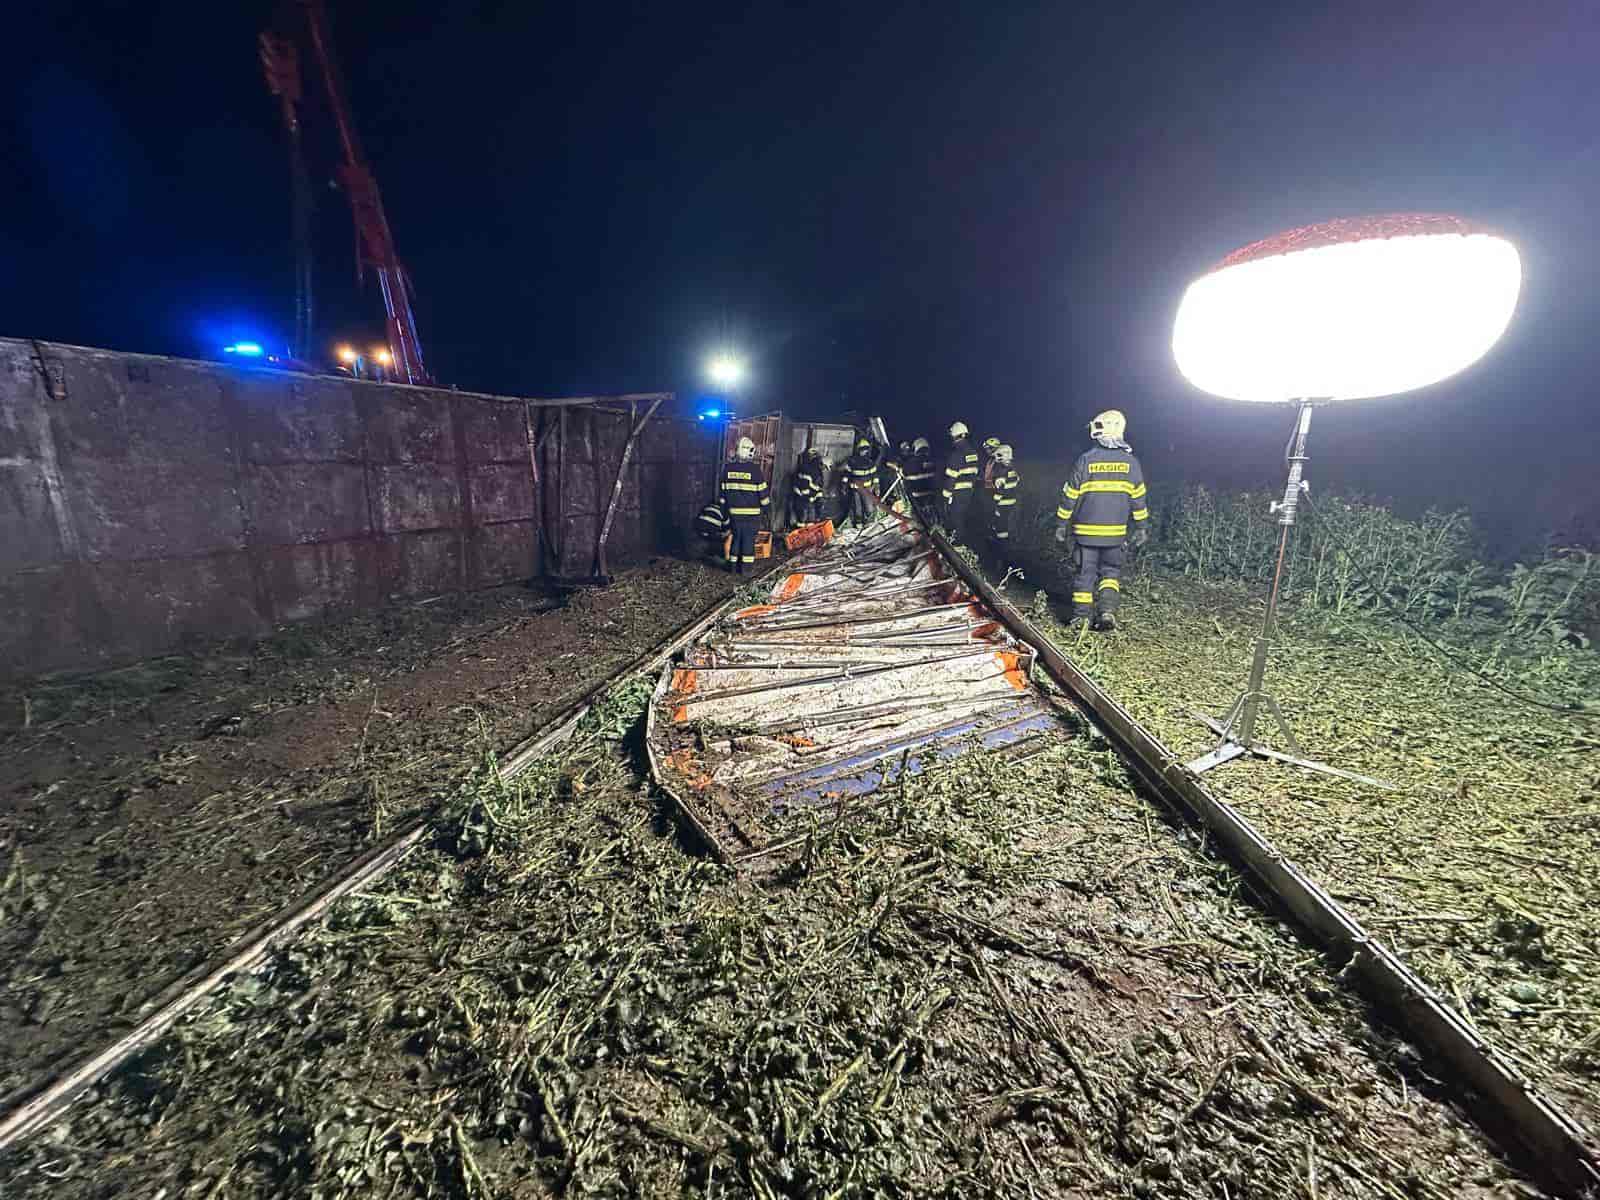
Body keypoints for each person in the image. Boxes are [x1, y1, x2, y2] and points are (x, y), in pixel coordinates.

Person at [1054, 409, 1149, 630]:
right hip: (1115, 535)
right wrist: (1141, 528)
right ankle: (1107, 612)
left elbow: (1069, 496)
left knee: (1084, 575)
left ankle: (1081, 618)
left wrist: (1061, 525)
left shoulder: (1085, 460)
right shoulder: (1131, 463)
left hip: (1085, 534)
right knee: (1111, 574)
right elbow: (1138, 499)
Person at [718, 436, 770, 573]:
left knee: (736, 539)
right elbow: (763, 496)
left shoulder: (727, 469)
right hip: (752, 516)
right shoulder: (755, 470)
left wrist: (725, 516)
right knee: (748, 542)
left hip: (734, 515)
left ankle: (732, 569)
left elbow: (722, 497)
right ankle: (745, 572)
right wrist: (767, 511)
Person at [983, 442, 1020, 570]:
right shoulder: (1013, 469)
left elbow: (999, 491)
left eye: (998, 455)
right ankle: (1006, 557)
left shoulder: (1002, 471)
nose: (996, 458)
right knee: (1005, 531)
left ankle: (1002, 561)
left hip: (1002, 505)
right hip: (1011, 504)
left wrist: (994, 506)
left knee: (1000, 532)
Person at [940, 421, 980, 538]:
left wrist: (946, 496)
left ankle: (957, 543)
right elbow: (975, 473)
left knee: (955, 519)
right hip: (969, 492)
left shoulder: (956, 454)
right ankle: (965, 540)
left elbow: (951, 478)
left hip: (957, 493)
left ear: (953, 436)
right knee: (964, 517)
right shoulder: (973, 453)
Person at [844, 434, 880, 527]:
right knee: (857, 507)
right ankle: (858, 523)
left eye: (865, 449)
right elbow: (846, 474)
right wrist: (843, 485)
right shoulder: (852, 462)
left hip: (867, 489)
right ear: (858, 450)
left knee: (868, 507)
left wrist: (876, 487)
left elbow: (875, 476)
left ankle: (870, 522)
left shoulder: (870, 463)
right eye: (862, 449)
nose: (864, 452)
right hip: (856, 489)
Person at [789, 447, 825, 527]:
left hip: (807, 498)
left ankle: (803, 528)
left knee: (806, 519)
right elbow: (805, 486)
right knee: (804, 519)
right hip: (804, 499)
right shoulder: (808, 470)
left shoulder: (810, 469)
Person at [904, 436, 937, 517]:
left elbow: (906, 481)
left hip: (917, 499)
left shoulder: (909, 463)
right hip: (932, 496)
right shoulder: (933, 461)